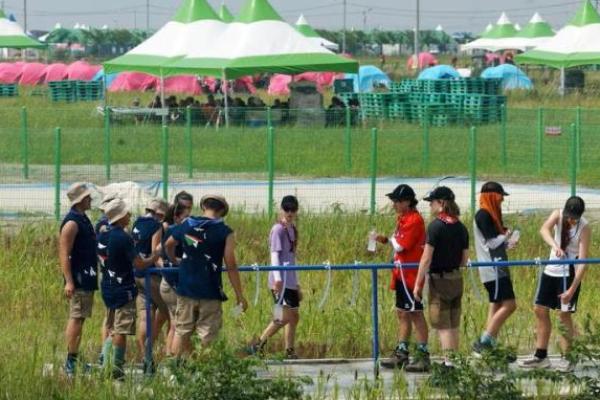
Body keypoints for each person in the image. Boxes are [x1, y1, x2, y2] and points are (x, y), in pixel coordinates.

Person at [165, 195, 248, 357]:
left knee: (182, 330)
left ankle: (175, 369)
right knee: (207, 334)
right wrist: (239, 295)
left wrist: (175, 260)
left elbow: (168, 244)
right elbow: (230, 264)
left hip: (186, 288)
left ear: (203, 207)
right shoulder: (225, 232)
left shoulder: (187, 224)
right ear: (222, 211)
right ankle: (203, 369)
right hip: (210, 290)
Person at [520, 196, 590, 370]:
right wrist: (555, 246)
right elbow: (544, 229)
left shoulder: (584, 228)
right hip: (551, 270)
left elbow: (583, 262)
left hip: (569, 274)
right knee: (539, 309)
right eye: (569, 217)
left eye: (575, 218)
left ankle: (568, 357)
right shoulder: (557, 215)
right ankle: (541, 356)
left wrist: (571, 290)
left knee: (563, 314)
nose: (571, 220)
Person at [100, 199, 158, 379]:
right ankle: (116, 368)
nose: (130, 215)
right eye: (126, 213)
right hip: (123, 289)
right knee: (121, 330)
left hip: (107, 286)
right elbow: (139, 263)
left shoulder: (102, 235)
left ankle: (105, 363)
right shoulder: (123, 238)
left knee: (111, 327)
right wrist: (154, 256)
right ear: (119, 217)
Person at [376, 185, 430, 372]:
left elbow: (400, 245)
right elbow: (397, 242)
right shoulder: (403, 219)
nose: (394, 205)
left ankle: (423, 355)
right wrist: (385, 239)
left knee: (415, 313)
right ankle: (402, 352)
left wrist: (390, 240)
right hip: (401, 273)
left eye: (397, 201)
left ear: (407, 202)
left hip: (411, 275)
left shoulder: (414, 220)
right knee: (402, 312)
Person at [414, 186, 469, 368]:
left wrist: (418, 284)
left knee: (442, 324)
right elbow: (464, 260)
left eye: (432, 202)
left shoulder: (435, 226)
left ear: (442, 203)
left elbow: (426, 258)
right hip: (456, 279)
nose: (430, 206)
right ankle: (455, 361)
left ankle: (448, 364)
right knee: (453, 323)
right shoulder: (461, 227)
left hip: (439, 280)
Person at [249, 196, 302, 359]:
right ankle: (258, 345)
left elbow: (292, 258)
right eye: (287, 209)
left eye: (293, 210)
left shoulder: (293, 230)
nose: (290, 213)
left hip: (290, 281)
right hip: (280, 282)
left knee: (294, 317)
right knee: (283, 317)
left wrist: (297, 283)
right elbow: (274, 256)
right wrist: (278, 278)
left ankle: (289, 350)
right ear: (281, 210)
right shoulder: (278, 229)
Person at [472, 182, 518, 358]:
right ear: (491, 196)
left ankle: (489, 347)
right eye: (500, 196)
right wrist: (505, 236)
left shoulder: (490, 214)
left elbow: (492, 242)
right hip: (493, 269)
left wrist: (506, 243)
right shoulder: (483, 215)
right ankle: (484, 342)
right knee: (510, 305)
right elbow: (491, 243)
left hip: (495, 267)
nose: (502, 200)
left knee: (496, 304)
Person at [59, 183, 97, 377]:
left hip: (87, 276)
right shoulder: (72, 223)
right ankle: (71, 361)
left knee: (80, 318)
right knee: (76, 317)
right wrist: (69, 281)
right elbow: (64, 253)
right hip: (78, 279)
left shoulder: (83, 219)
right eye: (87, 197)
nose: (91, 199)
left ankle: (75, 357)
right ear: (80, 200)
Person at [131, 198, 169, 365]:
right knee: (170, 312)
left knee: (145, 316)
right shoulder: (156, 226)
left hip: (137, 274)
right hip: (152, 275)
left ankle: (144, 356)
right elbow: (155, 252)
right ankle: (168, 353)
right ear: (159, 214)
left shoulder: (136, 223)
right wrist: (165, 269)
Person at [158, 201, 192, 356]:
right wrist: (176, 261)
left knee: (174, 323)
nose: (189, 220)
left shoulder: (170, 230)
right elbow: (194, 245)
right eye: (185, 217)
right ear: (176, 217)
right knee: (178, 325)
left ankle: (169, 355)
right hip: (173, 283)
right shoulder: (178, 232)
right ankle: (174, 358)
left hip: (167, 281)